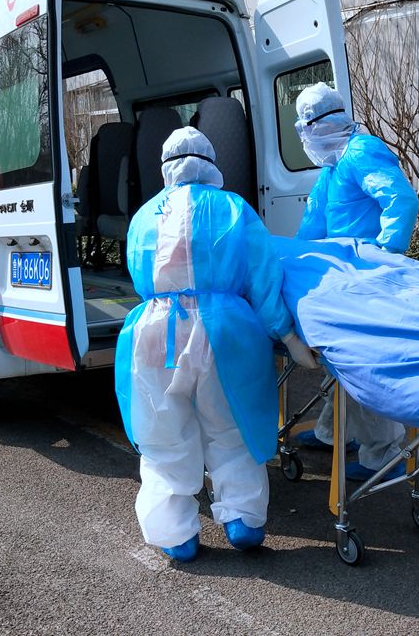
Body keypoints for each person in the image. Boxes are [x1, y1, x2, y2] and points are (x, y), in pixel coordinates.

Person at [115, 126, 319, 563]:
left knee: (164, 436)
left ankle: (176, 535)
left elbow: (137, 274)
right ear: (210, 164)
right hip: (225, 331)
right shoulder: (233, 208)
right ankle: (243, 520)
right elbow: (263, 278)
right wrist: (288, 335)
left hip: (154, 331)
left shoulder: (144, 216)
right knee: (232, 427)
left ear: (166, 168)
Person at [290, 82, 419, 482]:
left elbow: (400, 199)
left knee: (361, 364)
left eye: (306, 127)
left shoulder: (361, 152)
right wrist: (293, 264)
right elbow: (314, 223)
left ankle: (384, 455)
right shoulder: (333, 167)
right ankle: (333, 433)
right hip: (344, 279)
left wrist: (386, 253)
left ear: (318, 125)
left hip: (368, 278)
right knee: (339, 359)